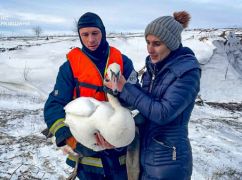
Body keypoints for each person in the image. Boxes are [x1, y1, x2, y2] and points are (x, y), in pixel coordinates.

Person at [107, 11, 201, 180]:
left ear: (171, 44)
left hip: (168, 160)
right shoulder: (154, 67)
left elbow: (162, 113)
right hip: (146, 152)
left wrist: (126, 89)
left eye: (156, 43)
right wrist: (117, 91)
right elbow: (145, 103)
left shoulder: (187, 72)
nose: (150, 49)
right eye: (148, 42)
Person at [44, 12, 137, 180]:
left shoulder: (123, 63)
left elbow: (138, 100)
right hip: (88, 158)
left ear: (103, 32)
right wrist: (70, 139)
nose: (90, 40)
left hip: (121, 154)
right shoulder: (70, 67)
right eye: (85, 35)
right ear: (80, 36)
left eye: (95, 33)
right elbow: (54, 105)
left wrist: (123, 93)